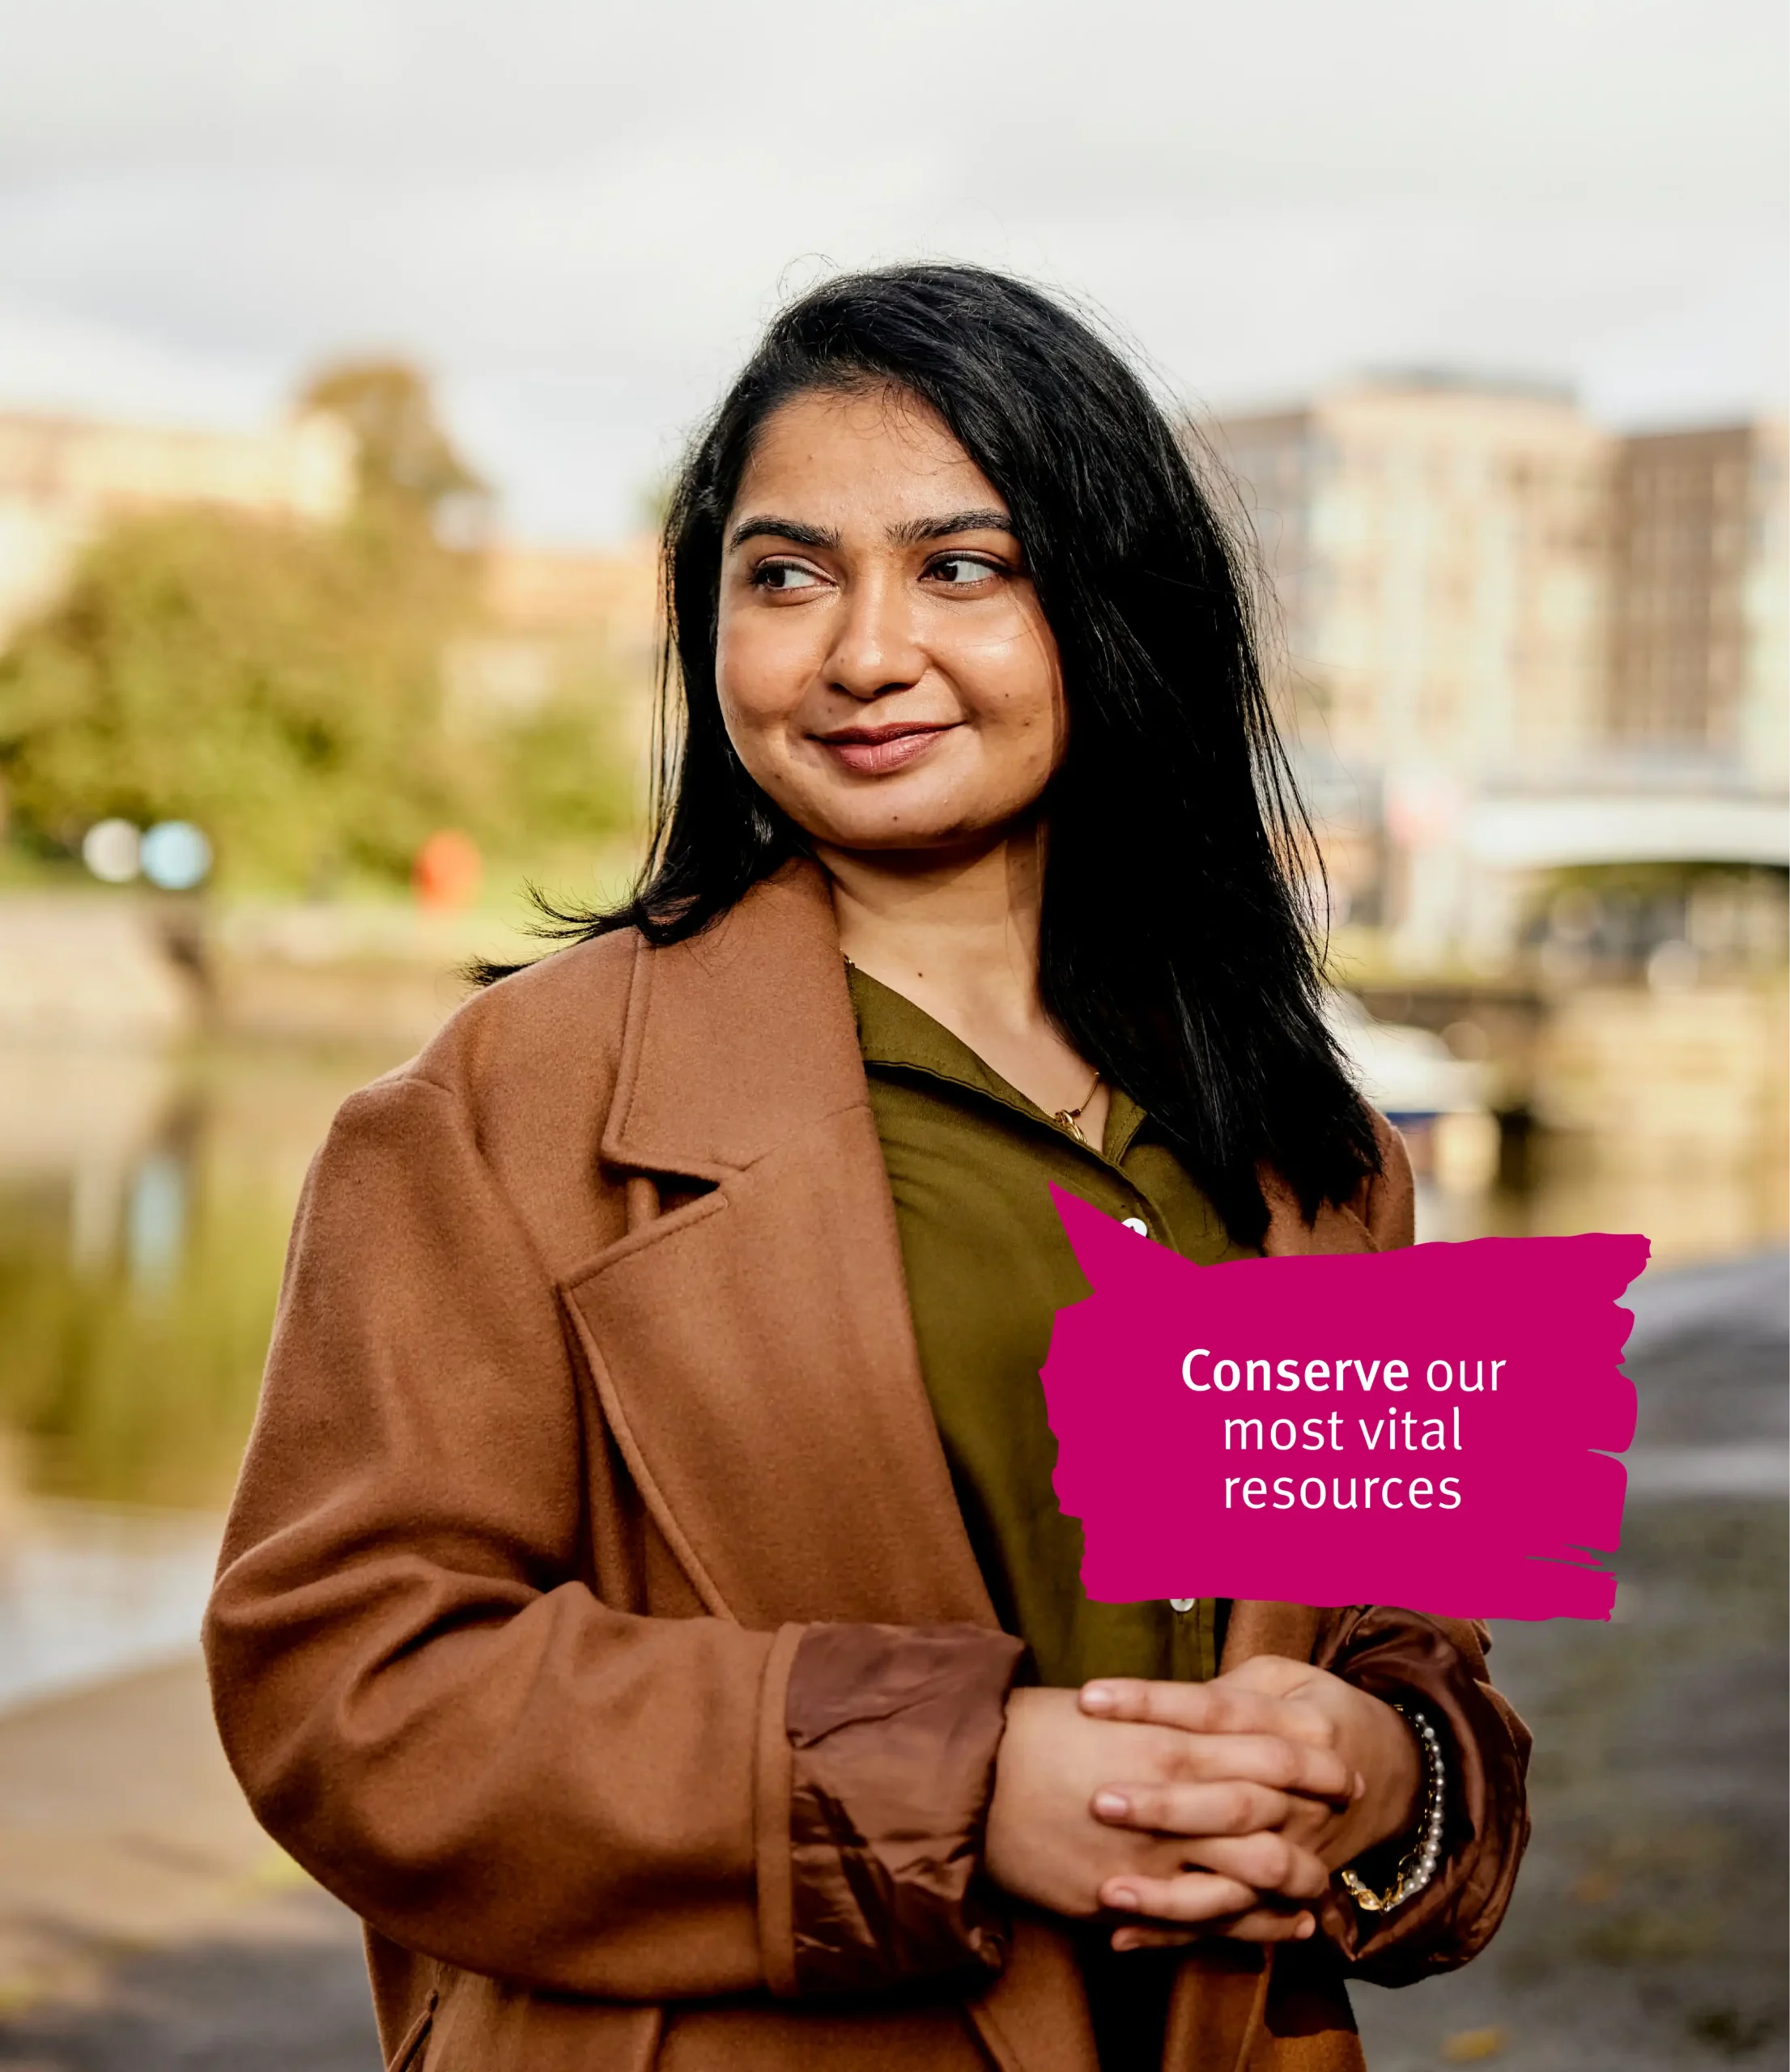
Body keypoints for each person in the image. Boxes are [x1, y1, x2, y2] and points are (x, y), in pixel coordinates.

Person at [204, 264, 1529, 2072]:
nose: (860, 650)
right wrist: (955, 1781)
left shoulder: (1313, 1145)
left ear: (1113, 605)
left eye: (959, 565)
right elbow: (347, 1688)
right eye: (784, 574)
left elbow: (1408, 1645)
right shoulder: (503, 1101)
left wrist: (1382, 1771)